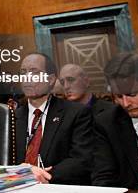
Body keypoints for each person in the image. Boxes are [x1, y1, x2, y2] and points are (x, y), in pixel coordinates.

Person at [15, 53, 93, 185]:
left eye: (34, 72)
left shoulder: (76, 113)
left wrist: (43, 175)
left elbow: (81, 160)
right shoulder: (11, 117)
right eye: (23, 72)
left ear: (50, 80)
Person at [92, 52, 138, 189]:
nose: (125, 103)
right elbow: (103, 177)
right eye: (118, 96)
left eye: (132, 94)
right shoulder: (106, 123)